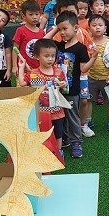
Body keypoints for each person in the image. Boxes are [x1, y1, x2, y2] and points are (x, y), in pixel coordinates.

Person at [43, 11, 96, 158]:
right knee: (59, 117)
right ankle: (65, 140)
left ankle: (76, 143)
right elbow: (43, 41)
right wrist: (56, 28)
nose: (62, 32)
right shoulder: (59, 46)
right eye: (60, 29)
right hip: (56, 90)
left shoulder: (80, 48)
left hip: (72, 90)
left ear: (76, 28)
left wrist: (93, 58)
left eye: (65, 28)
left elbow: (83, 69)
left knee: (72, 117)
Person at [17, 39, 68, 151]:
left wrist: (63, 85)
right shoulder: (33, 73)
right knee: (40, 134)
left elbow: (65, 89)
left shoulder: (59, 72)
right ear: (37, 56)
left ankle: (58, 152)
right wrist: (21, 68)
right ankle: (41, 152)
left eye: (53, 56)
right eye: (46, 56)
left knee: (58, 134)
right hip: (39, 113)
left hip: (57, 112)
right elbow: (22, 83)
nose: (50, 59)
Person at [86, 14, 109, 133]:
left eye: (100, 25)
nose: (97, 27)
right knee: (89, 100)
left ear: (105, 28)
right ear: (89, 27)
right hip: (91, 77)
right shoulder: (88, 43)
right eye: (94, 25)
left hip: (107, 78)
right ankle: (88, 119)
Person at [11, 0, 44, 75]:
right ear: (24, 16)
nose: (34, 17)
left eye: (37, 14)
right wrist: (14, 66)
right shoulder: (21, 30)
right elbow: (15, 48)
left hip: (38, 69)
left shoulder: (42, 32)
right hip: (24, 69)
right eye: (31, 14)